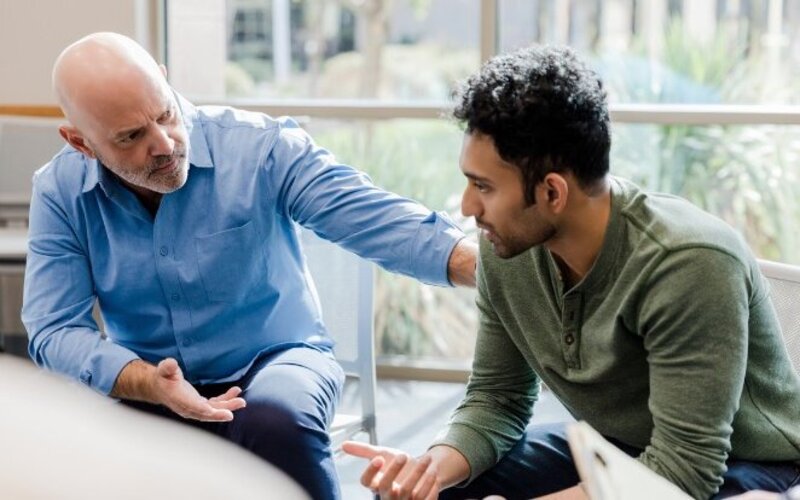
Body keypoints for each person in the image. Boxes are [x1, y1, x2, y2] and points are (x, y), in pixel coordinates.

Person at [21, 32, 477, 500]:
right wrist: (146, 383)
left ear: (163, 80)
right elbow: (54, 329)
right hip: (151, 377)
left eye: (166, 114)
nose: (164, 144)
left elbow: (371, 217)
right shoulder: (60, 192)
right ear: (81, 142)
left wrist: (489, 269)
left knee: (275, 419)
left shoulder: (260, 147)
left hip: (278, 358)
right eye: (132, 137)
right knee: (73, 456)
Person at [343, 45, 800, 500]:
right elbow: (497, 399)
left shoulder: (688, 263)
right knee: (428, 494)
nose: (467, 208)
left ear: (552, 192)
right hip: (618, 445)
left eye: (483, 187)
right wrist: (430, 469)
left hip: (740, 466)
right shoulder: (506, 249)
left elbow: (684, 472)